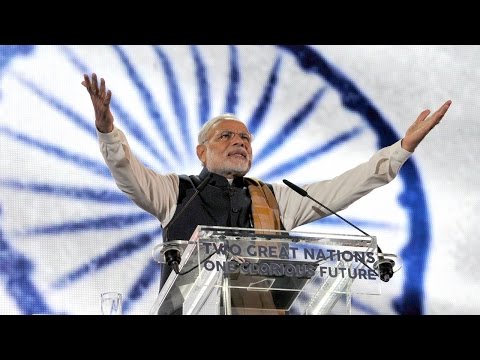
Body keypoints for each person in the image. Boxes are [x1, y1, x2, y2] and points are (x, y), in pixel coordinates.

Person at [82, 73, 451, 313]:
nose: (239, 142)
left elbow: (346, 187)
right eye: (226, 136)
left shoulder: (275, 198)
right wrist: (107, 131)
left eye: (245, 138)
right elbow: (127, 172)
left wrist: (401, 148)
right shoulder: (175, 192)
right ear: (201, 152)